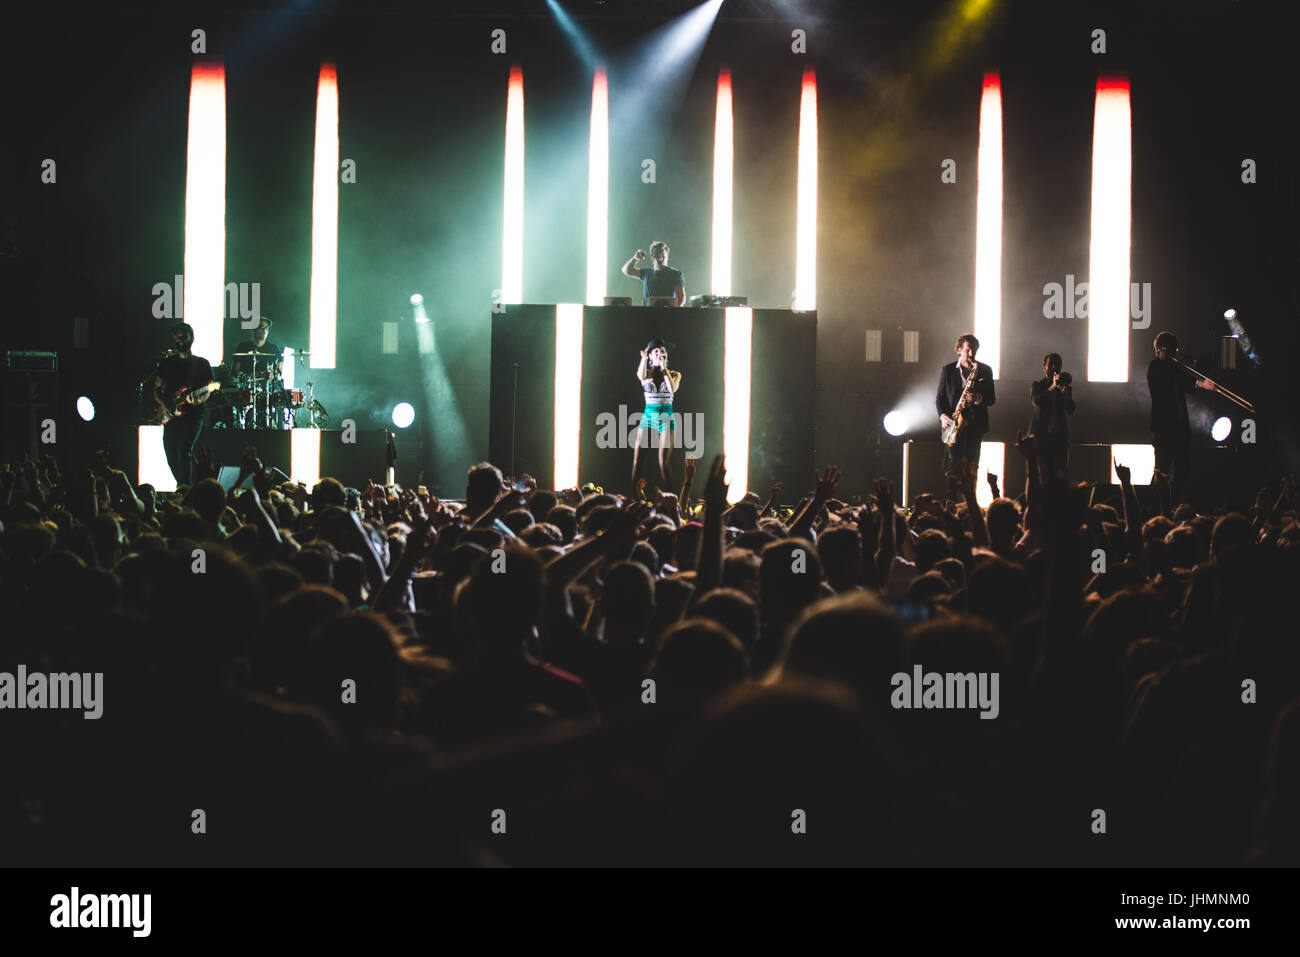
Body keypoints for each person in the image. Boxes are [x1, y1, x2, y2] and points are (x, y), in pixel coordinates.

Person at [1148, 331, 1216, 503]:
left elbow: (1186, 384)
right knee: (1162, 469)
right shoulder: (1155, 367)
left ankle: (1173, 503)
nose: (1174, 352)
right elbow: (1173, 381)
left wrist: (1200, 381)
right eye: (1170, 349)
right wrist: (1197, 383)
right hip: (1163, 428)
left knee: (1182, 469)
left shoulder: (1175, 368)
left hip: (1180, 428)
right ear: (1162, 348)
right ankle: (1150, 505)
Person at [153, 322, 215, 486]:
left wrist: (198, 399)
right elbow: (156, 389)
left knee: (184, 451)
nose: (180, 338)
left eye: (184, 335)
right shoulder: (167, 363)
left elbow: (208, 388)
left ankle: (184, 489)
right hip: (171, 414)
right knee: (170, 453)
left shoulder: (201, 364)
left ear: (192, 338)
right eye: (177, 335)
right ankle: (184, 486)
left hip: (193, 415)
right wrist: (164, 404)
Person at [935, 333, 995, 485]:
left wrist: (977, 398)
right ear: (959, 350)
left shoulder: (985, 370)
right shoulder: (947, 370)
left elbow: (991, 399)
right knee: (953, 467)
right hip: (952, 425)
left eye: (974, 350)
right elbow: (940, 398)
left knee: (972, 466)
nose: (971, 354)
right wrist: (943, 416)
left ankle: (969, 504)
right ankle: (951, 504)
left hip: (975, 426)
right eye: (968, 350)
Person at [633, 338, 681, 492]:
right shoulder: (647, 374)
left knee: (663, 462)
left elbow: (672, 388)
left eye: (663, 351)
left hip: (666, 417)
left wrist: (663, 368)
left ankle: (669, 498)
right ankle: (635, 495)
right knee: (638, 460)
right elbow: (640, 376)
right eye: (657, 351)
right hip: (649, 417)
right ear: (651, 356)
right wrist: (644, 358)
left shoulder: (675, 374)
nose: (660, 353)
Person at [1029, 352, 1075, 482]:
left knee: (1060, 474)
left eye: (1057, 365)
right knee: (1041, 474)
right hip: (1041, 437)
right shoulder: (1037, 385)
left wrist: (1065, 395)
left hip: (1059, 438)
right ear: (1044, 367)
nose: (1054, 367)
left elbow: (1071, 409)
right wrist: (1053, 387)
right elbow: (1037, 400)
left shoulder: (1065, 387)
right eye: (1051, 364)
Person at [621, 241, 685, 307]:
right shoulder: (646, 273)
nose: (660, 259)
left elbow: (681, 298)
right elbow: (626, 270)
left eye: (663, 256)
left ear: (667, 257)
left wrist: (671, 313)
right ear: (651, 257)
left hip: (667, 315)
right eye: (657, 256)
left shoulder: (675, 274)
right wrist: (635, 259)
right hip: (646, 314)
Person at [231, 317, 282, 384]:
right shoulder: (242, 347)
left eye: (267, 328)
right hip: (247, 387)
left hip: (268, 389)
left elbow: (280, 371)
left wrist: (275, 374)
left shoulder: (273, 348)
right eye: (261, 327)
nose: (265, 330)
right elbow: (234, 371)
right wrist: (250, 376)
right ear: (253, 329)